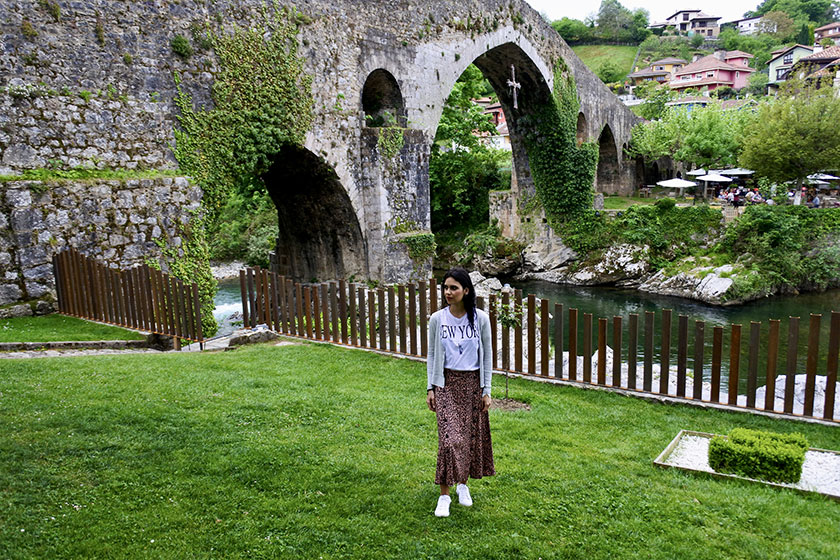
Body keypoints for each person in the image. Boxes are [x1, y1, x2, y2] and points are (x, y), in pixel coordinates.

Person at [426, 267, 494, 518]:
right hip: (446, 383)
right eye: (445, 287)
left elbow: (486, 355)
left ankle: (462, 484)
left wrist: (486, 390)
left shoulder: (481, 319)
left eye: (453, 288)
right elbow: (432, 354)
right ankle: (444, 495)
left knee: (468, 438)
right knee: (449, 440)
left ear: (466, 290)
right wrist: (431, 387)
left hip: (472, 384)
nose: (448, 292)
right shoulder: (437, 319)